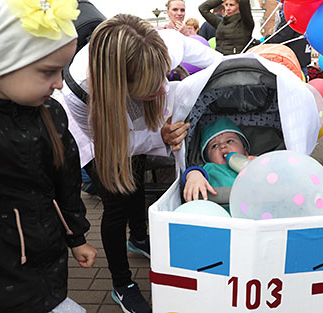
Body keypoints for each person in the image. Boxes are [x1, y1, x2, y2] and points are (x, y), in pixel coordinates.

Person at [61, 14, 222, 313]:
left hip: (126, 113)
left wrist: (231, 69)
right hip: (102, 137)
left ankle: (138, 238)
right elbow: (114, 146)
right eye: (151, 85)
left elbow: (207, 57)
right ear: (119, 84)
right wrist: (159, 134)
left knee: (135, 181)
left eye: (164, 75)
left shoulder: (161, 45)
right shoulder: (79, 95)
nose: (164, 89)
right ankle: (122, 284)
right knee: (116, 200)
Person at [0, 0, 98, 312]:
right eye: (47, 71)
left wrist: (76, 237)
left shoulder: (51, 114)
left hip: (46, 265)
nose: (58, 83)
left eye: (62, 69)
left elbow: (66, 181)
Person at [182, 118, 253, 207]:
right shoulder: (209, 168)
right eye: (214, 146)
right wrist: (194, 175)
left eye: (229, 141)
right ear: (207, 158)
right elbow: (193, 172)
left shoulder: (252, 163)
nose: (223, 146)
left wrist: (259, 164)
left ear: (245, 149)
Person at [266, 2, 311, 80]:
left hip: (293, 62)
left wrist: (265, 41)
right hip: (301, 59)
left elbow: (281, 36)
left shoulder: (292, 16)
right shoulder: (303, 12)